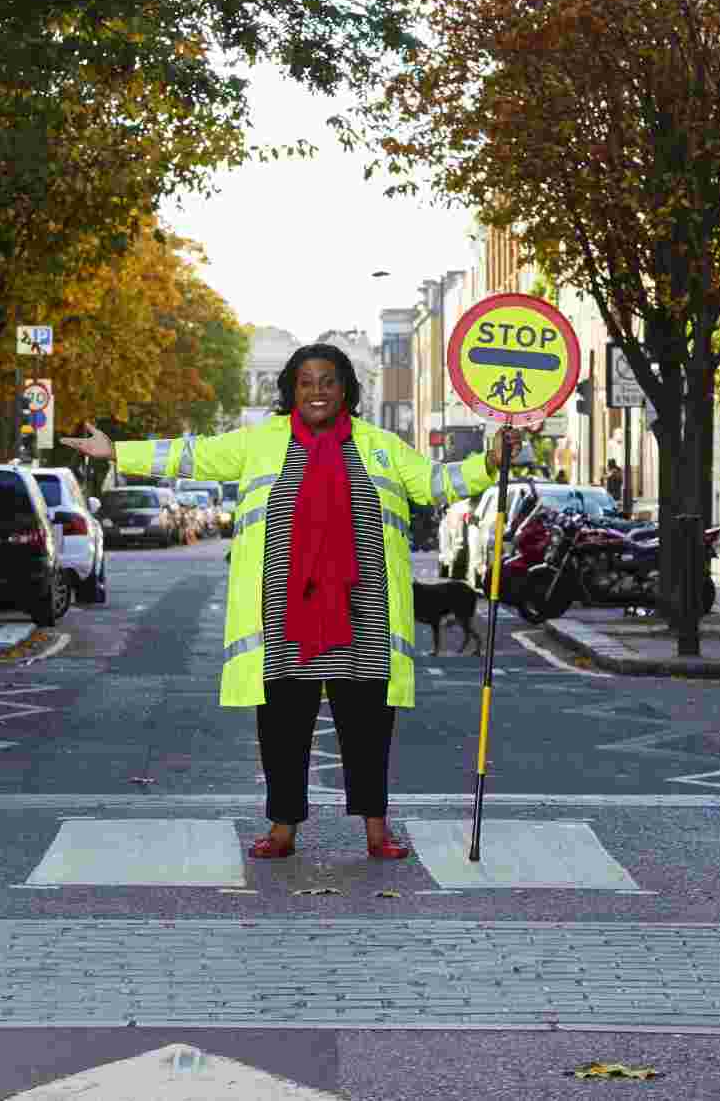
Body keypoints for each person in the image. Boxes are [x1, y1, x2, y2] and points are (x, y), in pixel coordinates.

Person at [63, 344, 506, 861]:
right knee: (282, 728)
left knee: (367, 727)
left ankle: (376, 830)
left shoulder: (381, 446)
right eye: (306, 381)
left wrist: (490, 461)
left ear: (346, 390)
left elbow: (436, 482)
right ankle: (282, 829)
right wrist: (118, 450)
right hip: (283, 615)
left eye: (329, 380)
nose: (318, 390)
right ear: (292, 391)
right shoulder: (262, 442)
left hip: (364, 613)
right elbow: (193, 454)